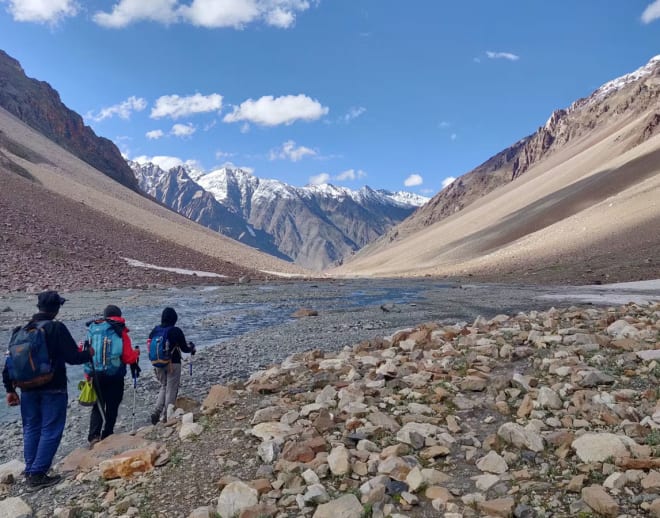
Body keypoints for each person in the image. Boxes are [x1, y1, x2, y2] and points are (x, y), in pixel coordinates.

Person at [2, 291, 93, 492]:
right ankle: (38, 474)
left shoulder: (21, 330)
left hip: (26, 389)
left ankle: (31, 469)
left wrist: (10, 390)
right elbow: (73, 357)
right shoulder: (56, 328)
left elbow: (9, 364)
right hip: (53, 387)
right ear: (56, 308)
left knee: (31, 428)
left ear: (38, 306)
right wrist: (89, 353)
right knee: (51, 429)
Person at [85, 305, 140, 447]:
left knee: (98, 405)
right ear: (119, 315)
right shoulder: (120, 330)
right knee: (112, 405)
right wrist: (136, 354)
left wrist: (87, 373)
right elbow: (128, 357)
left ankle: (94, 436)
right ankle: (108, 433)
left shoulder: (93, 329)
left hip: (95, 373)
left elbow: (85, 351)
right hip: (115, 374)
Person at [149, 307, 195, 424]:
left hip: (157, 363)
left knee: (164, 386)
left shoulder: (155, 331)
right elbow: (184, 348)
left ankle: (156, 411)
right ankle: (167, 416)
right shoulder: (175, 331)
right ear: (174, 318)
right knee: (171, 388)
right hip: (173, 363)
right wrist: (192, 347)